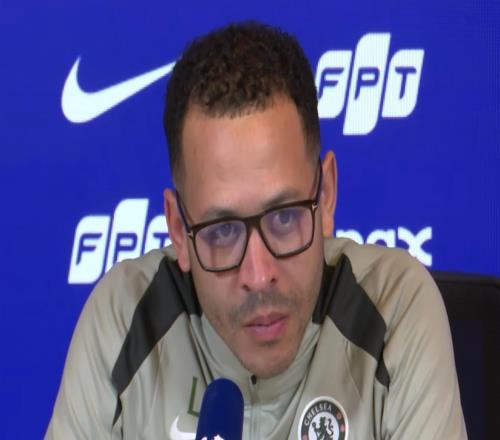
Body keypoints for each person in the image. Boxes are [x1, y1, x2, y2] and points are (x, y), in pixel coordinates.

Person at [46, 22, 467, 439]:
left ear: (326, 196)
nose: (259, 275)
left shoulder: (395, 309)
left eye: (284, 218)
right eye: (222, 232)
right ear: (178, 228)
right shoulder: (124, 320)